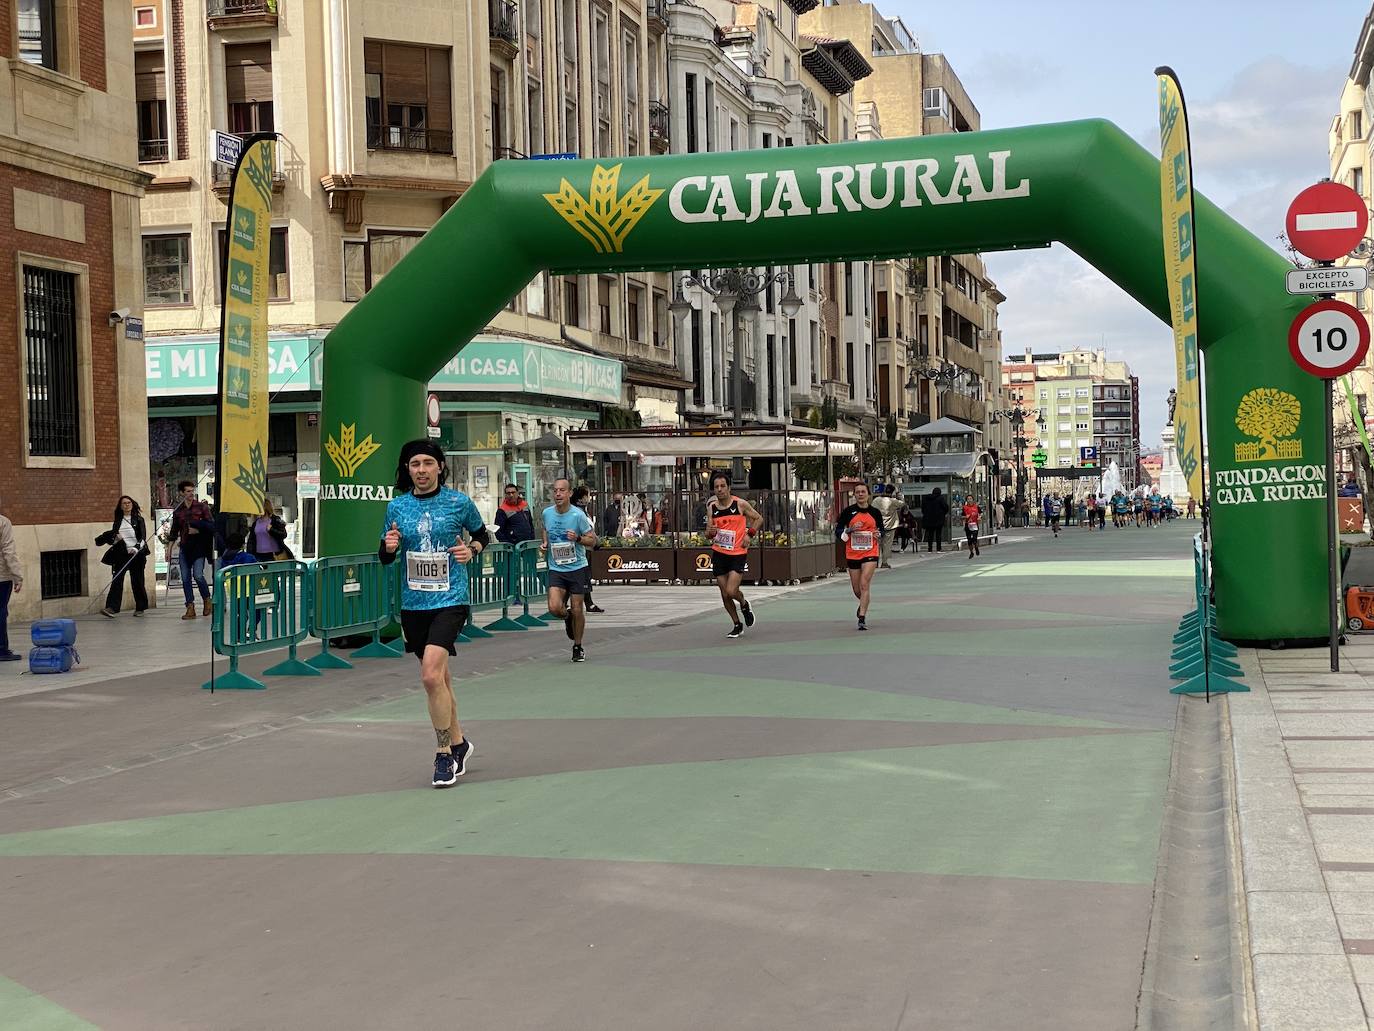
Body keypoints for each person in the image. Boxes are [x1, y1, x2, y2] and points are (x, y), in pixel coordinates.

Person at [379, 439, 491, 788]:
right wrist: (388, 547)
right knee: (440, 680)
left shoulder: (459, 502)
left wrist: (471, 549)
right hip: (413, 604)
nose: (422, 470)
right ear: (407, 469)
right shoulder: (397, 507)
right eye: (415, 464)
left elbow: (482, 534)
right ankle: (460, 743)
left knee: (430, 676)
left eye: (429, 463)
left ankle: (443, 754)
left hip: (450, 598)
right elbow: (385, 555)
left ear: (440, 467)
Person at [541, 477, 598, 662]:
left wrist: (578, 539)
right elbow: (545, 530)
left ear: (569, 493)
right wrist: (544, 544)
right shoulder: (547, 513)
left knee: (578, 608)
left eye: (562, 490)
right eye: (555, 490)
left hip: (577, 568)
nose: (557, 494)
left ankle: (578, 646)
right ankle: (567, 618)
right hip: (556, 567)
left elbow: (593, 541)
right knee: (554, 608)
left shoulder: (578, 516)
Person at [706, 470, 763, 638]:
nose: (720, 489)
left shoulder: (740, 504)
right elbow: (708, 534)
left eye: (723, 486)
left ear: (729, 487)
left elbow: (758, 518)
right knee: (724, 594)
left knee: (731, 591)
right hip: (719, 552)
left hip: (737, 552)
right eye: (716, 487)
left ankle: (744, 604)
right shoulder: (712, 508)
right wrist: (710, 531)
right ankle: (737, 624)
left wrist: (749, 534)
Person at [837, 483, 884, 630]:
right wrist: (850, 529)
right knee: (857, 589)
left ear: (868, 495)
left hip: (870, 552)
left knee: (864, 584)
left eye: (863, 492)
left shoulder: (875, 512)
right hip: (853, 552)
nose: (860, 494)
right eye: (857, 492)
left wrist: (878, 534)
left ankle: (862, 618)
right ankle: (863, 603)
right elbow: (838, 530)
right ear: (854, 495)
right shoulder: (848, 512)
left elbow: (881, 529)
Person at [168, 480, 215, 620]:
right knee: (185, 577)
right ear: (181, 493)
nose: (190, 494)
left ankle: (207, 600)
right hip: (184, 546)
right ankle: (190, 607)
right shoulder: (178, 511)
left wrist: (198, 528)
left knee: (198, 575)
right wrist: (168, 549)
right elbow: (173, 531)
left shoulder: (202, 507)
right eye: (187, 491)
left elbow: (211, 525)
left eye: (192, 491)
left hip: (199, 546)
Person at [98, 495, 149, 618]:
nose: (127, 505)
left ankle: (140, 607)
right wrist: (115, 539)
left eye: (129, 502)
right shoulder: (118, 520)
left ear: (132, 504)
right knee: (117, 580)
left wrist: (136, 548)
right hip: (121, 554)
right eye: (124, 503)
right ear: (120, 507)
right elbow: (114, 536)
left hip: (137, 554)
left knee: (137, 581)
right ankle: (112, 608)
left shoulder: (139, 519)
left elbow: (142, 537)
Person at [571, 485, 605, 613]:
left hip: (587, 547)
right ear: (581, 498)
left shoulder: (583, 511)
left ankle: (589, 603)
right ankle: (570, 602)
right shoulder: (577, 512)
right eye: (588, 495)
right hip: (581, 548)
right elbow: (586, 530)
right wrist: (595, 541)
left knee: (585, 576)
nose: (589, 498)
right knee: (580, 576)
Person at [0, 504, 22, 661]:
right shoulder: (3, 522)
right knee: (1, 611)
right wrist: (17, 576)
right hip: (1, 576)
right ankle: (1, 649)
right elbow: (8, 551)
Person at [872, 484, 900, 569]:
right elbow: (903, 504)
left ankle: (875, 562)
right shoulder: (893, 501)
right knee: (887, 545)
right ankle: (884, 562)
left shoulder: (876, 500)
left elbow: (871, 510)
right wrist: (899, 495)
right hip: (890, 526)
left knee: (876, 544)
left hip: (877, 525)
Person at [920, 488, 949, 552]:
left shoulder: (926, 498)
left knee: (930, 535)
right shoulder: (941, 498)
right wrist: (942, 513)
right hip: (939, 519)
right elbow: (946, 507)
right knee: (938, 534)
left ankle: (929, 549)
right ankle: (938, 549)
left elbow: (923, 509)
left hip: (929, 520)